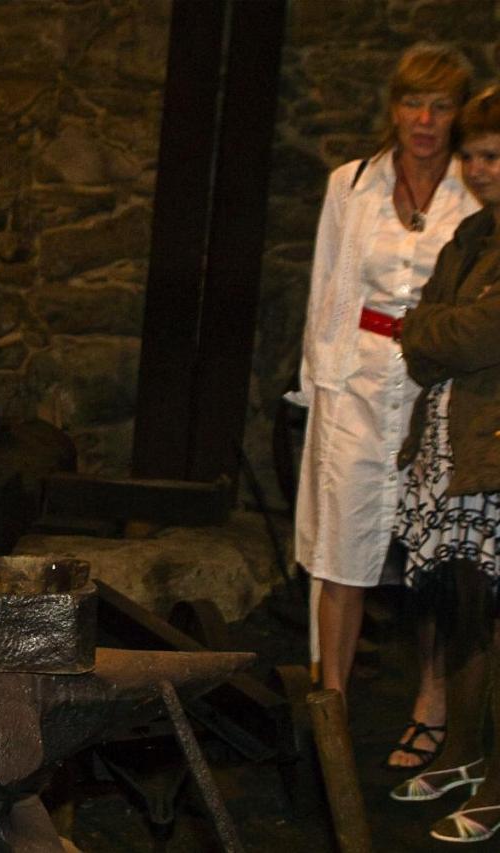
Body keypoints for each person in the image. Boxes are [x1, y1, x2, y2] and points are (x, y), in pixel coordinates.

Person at [292, 42, 477, 771]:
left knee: (434, 555)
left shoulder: (478, 188)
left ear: (459, 116)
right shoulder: (354, 183)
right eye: (412, 103)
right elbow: (328, 287)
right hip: (359, 383)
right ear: (393, 108)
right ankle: (328, 703)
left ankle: (430, 704)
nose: (424, 120)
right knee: (342, 550)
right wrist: (319, 385)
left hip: (442, 386)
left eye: (440, 106)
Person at [386, 83, 500, 843]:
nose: (477, 167)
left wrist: (435, 329)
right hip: (452, 447)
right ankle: (464, 752)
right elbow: (421, 331)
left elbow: (477, 335)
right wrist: (436, 329)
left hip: (493, 452)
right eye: (472, 154)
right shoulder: (471, 237)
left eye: (491, 154)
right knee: (464, 611)